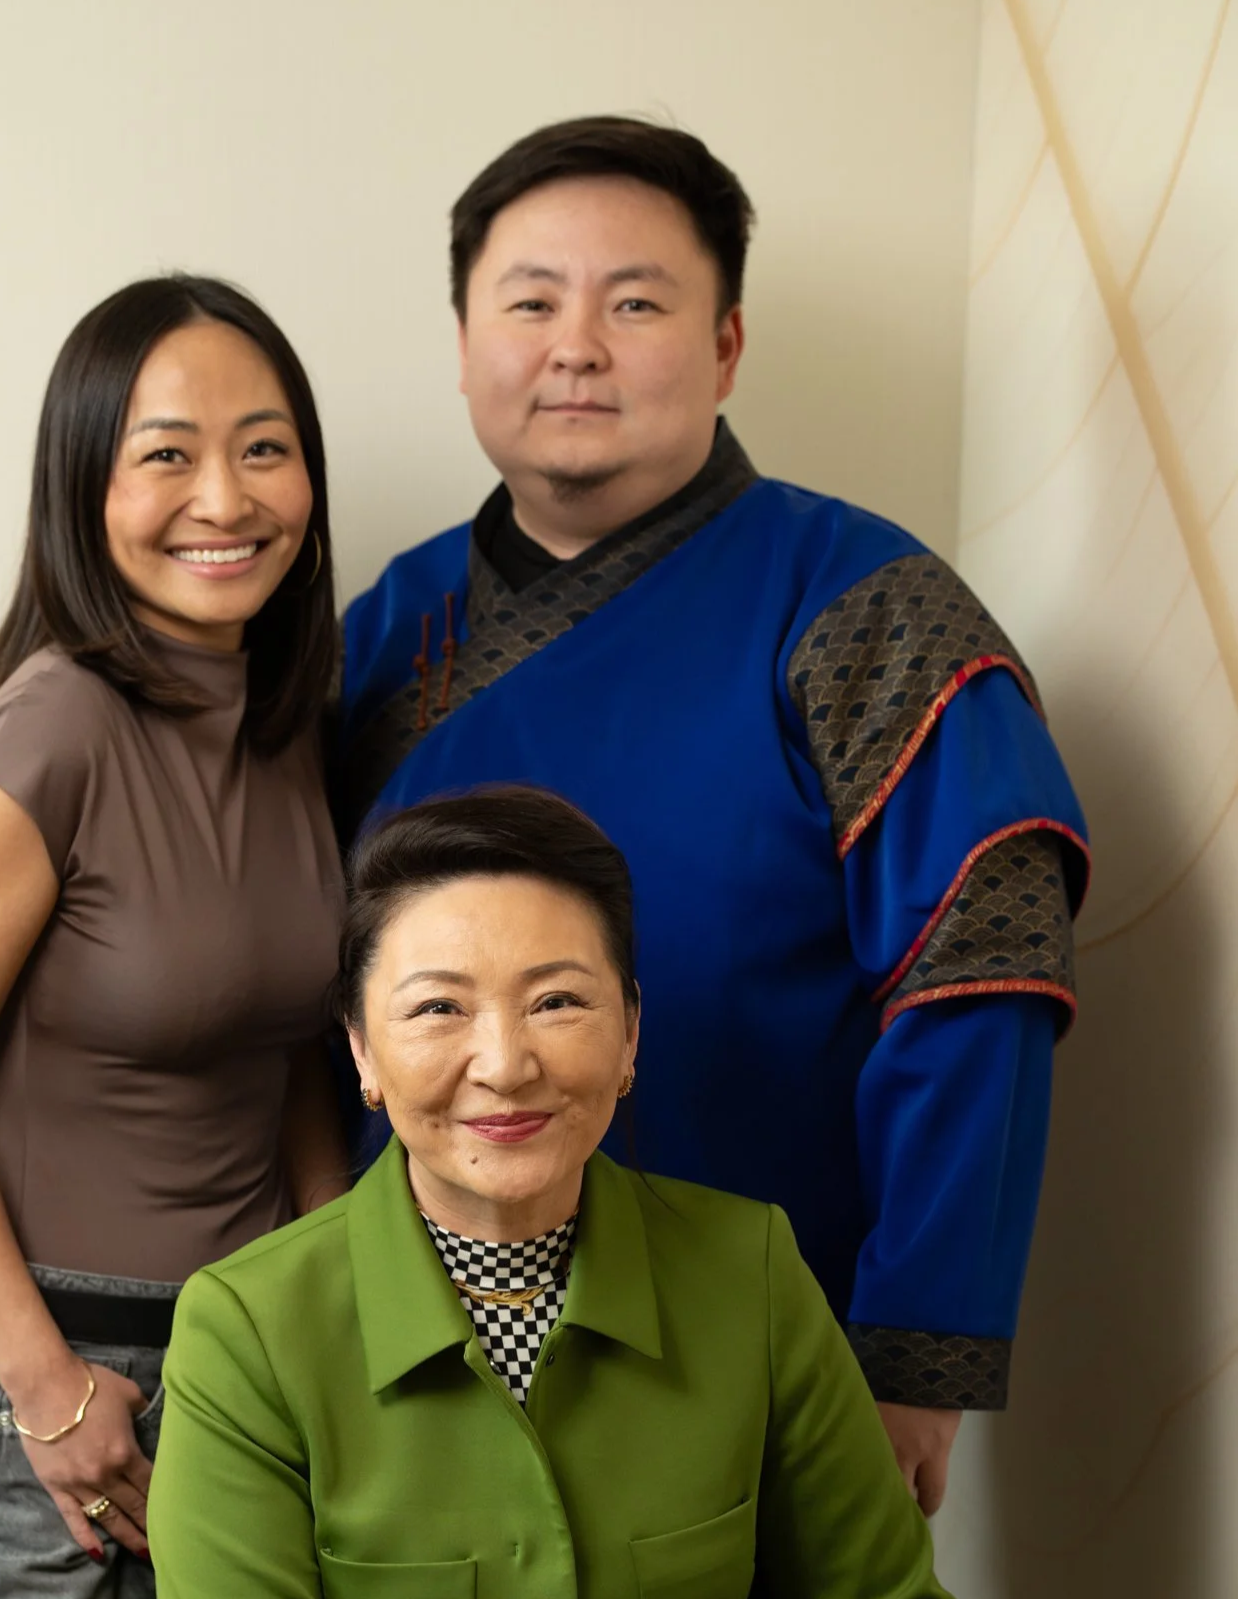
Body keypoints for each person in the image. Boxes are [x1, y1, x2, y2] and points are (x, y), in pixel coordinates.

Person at [335, 116, 1089, 1514]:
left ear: (725, 343)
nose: (575, 344)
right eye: (528, 301)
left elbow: (976, 982)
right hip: (405, 1367)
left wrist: (911, 1350)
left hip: (765, 1366)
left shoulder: (864, 607)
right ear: (461, 344)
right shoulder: (382, 634)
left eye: (633, 302)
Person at [147, 788, 954, 1598]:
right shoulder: (245, 1329)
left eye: (555, 1001)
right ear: (362, 1051)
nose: (504, 1065)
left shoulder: (752, 1270)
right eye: (438, 1007)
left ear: (630, 1031)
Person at [0, 274, 348, 1597]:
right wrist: (53, 1392)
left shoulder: (292, 723)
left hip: (252, 1370)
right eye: (166, 456)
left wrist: (343, 1313)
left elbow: (293, 1053)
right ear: (84, 489)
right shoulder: (45, 732)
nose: (225, 498)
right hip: (57, 1392)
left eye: (264, 447)